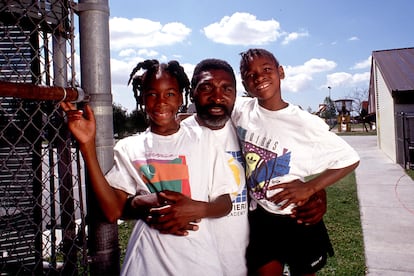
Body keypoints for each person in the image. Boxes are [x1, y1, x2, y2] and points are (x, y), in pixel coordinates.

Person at [61, 59, 239, 275]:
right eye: (152, 94)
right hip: (146, 263)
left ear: (181, 97)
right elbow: (111, 211)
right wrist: (87, 146)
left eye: (170, 94)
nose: (161, 101)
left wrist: (195, 208)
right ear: (142, 98)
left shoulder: (206, 139)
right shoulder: (129, 148)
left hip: (199, 261)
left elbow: (224, 203)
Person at [181, 58, 330, 276]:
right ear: (192, 91)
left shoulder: (247, 127)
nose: (217, 97)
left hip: (252, 239)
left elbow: (296, 161)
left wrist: (317, 193)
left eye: (226, 89)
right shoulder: (180, 136)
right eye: (206, 87)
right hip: (199, 253)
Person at [232, 49, 360, 276]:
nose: (259, 77)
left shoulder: (304, 122)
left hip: (297, 216)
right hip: (261, 217)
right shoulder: (241, 110)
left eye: (266, 69)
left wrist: (311, 188)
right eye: (250, 74)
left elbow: (349, 159)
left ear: (281, 72)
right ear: (244, 82)